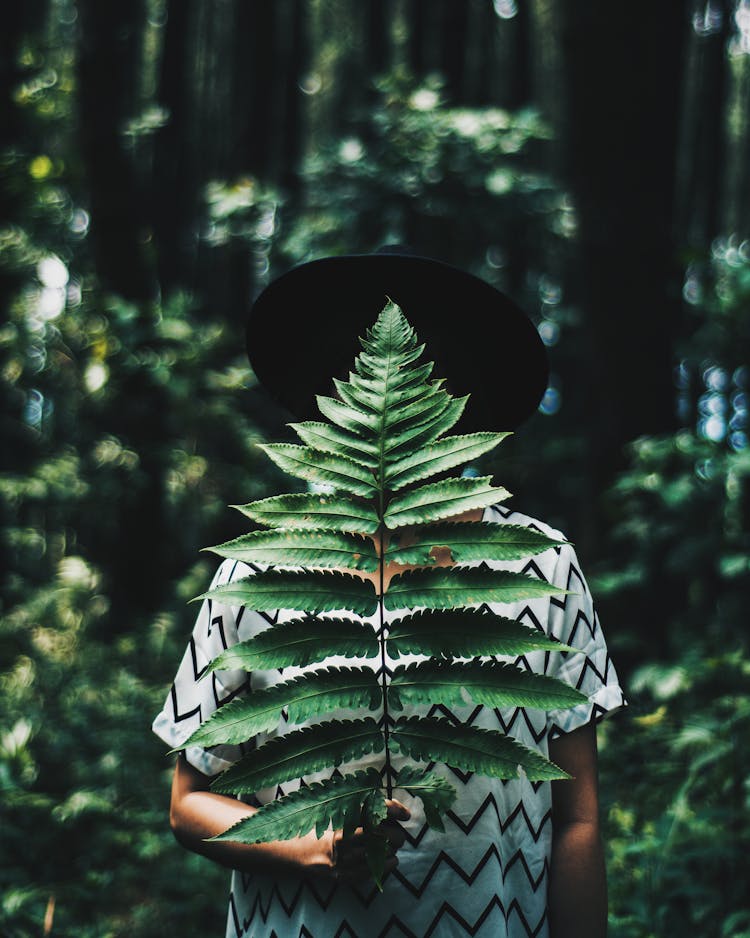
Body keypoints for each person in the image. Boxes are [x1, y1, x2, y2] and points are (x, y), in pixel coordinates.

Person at [153, 249, 626, 938]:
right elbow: (191, 803)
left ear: (463, 404)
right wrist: (310, 846)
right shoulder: (262, 570)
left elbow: (576, 818)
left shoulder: (542, 564)